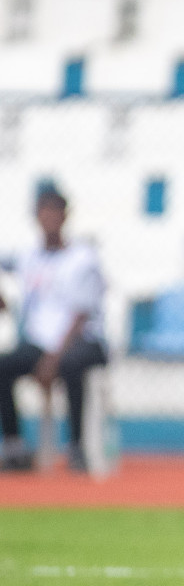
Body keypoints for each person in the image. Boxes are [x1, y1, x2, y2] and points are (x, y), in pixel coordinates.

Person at [0, 184, 108, 473]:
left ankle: (76, 448)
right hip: (41, 342)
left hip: (83, 340)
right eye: (42, 213)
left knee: (72, 365)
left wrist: (54, 359)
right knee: (4, 365)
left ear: (65, 216)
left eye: (54, 213)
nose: (48, 219)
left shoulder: (82, 258)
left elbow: (81, 315)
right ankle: (14, 447)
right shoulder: (29, 257)